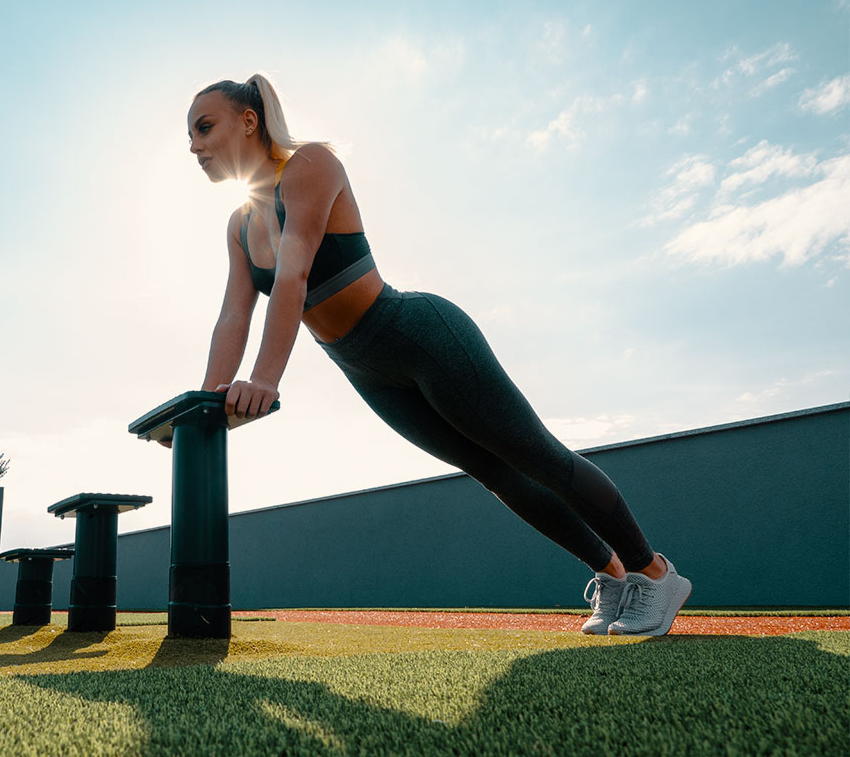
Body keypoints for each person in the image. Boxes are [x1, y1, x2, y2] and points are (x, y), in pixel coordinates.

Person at [185, 73, 691, 636]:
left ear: (249, 121)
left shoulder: (309, 165)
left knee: (538, 455)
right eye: (190, 137)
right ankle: (613, 575)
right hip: (364, 368)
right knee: (491, 471)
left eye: (205, 128)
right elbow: (234, 314)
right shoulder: (238, 225)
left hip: (417, 336)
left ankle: (656, 574)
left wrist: (264, 379)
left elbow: (294, 274)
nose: (194, 146)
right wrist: (205, 405)